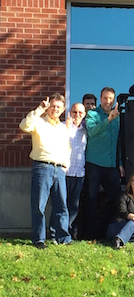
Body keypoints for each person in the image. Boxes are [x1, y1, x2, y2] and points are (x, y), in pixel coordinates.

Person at [19, 93, 71, 248]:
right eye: (53, 106)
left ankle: (63, 238)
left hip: (59, 170)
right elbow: (24, 126)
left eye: (58, 107)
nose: (55, 109)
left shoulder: (63, 128)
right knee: (39, 206)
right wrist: (39, 110)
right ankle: (39, 239)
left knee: (61, 205)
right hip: (42, 167)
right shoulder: (39, 122)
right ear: (49, 107)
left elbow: (67, 148)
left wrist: (66, 163)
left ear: (62, 110)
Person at [84, 87, 124, 240]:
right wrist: (108, 120)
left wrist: (119, 162)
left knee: (116, 198)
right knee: (91, 199)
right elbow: (92, 132)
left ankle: (102, 230)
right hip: (94, 163)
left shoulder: (117, 117)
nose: (108, 102)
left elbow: (117, 142)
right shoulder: (92, 114)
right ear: (100, 99)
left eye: (111, 99)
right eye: (105, 98)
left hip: (110, 164)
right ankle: (89, 235)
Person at [107, 173, 134, 249]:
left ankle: (118, 239)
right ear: (130, 183)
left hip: (132, 229)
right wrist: (132, 216)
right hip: (117, 226)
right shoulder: (123, 196)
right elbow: (122, 212)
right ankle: (119, 240)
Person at [64, 102, 87, 241]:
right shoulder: (63, 127)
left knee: (74, 206)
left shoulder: (86, 130)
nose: (77, 115)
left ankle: (70, 233)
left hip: (79, 174)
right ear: (70, 113)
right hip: (65, 172)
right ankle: (56, 233)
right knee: (61, 204)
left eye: (80, 113)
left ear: (84, 115)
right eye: (74, 112)